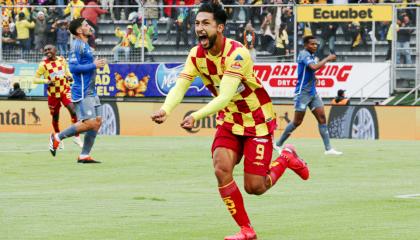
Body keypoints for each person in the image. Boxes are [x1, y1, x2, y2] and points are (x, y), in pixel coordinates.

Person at [151, 2, 309, 239]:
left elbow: (224, 96)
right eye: (197, 23)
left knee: (254, 187)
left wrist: (195, 116)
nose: (199, 28)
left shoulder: (237, 54)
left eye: (206, 23)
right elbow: (180, 86)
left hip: (256, 120)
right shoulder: (195, 55)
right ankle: (247, 230)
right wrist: (166, 109)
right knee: (221, 169)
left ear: (220, 27)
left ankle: (286, 157)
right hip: (229, 121)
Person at [49, 18, 107, 163]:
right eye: (86, 25)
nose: (89, 26)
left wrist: (94, 65)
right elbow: (73, 68)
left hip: (91, 90)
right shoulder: (77, 46)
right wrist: (94, 65)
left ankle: (84, 155)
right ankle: (57, 137)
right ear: (80, 30)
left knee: (98, 122)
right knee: (89, 123)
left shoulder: (85, 45)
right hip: (82, 90)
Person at [275, 35, 342, 155]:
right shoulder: (304, 54)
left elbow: (309, 70)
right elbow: (314, 67)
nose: (315, 46)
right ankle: (278, 144)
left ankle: (328, 149)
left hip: (312, 92)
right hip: (303, 93)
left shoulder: (310, 55)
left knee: (321, 118)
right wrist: (327, 59)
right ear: (306, 45)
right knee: (297, 122)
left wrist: (314, 77)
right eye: (312, 44)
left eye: (316, 44)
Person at [34, 44, 83, 148]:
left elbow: (67, 71)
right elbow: (35, 79)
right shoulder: (43, 65)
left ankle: (77, 136)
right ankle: (57, 136)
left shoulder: (61, 59)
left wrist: (69, 77)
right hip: (53, 94)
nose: (47, 51)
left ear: (55, 50)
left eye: (49, 49)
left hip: (65, 90)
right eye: (45, 50)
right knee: (55, 117)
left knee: (73, 111)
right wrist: (46, 81)